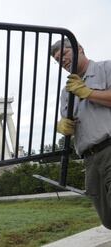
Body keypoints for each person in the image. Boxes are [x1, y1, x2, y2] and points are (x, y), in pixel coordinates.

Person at [52, 38, 111, 229]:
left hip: (109, 147)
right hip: (89, 158)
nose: (62, 61)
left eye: (64, 55)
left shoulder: (105, 68)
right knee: (108, 219)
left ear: (79, 49)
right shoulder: (66, 92)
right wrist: (61, 126)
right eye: (58, 60)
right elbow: (66, 121)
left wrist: (88, 93)